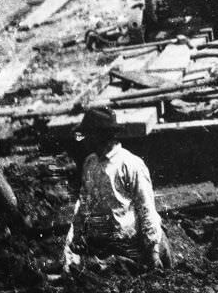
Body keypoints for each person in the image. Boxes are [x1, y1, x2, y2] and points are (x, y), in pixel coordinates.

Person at [63, 108, 172, 272]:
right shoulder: (90, 163)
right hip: (101, 245)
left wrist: (153, 250)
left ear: (101, 136)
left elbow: (146, 208)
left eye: (87, 134)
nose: (83, 139)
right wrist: (76, 235)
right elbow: (84, 202)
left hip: (130, 245)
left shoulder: (130, 164)